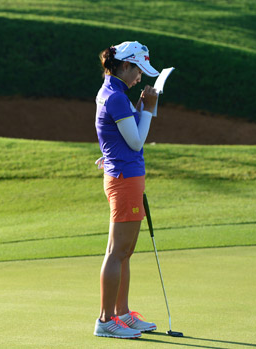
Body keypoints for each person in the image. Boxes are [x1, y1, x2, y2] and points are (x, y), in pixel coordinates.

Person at [93, 41, 160, 339]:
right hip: (124, 177)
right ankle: (106, 320)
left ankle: (121, 314)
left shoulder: (115, 92)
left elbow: (118, 133)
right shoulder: (116, 96)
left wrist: (139, 107)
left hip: (124, 175)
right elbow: (135, 141)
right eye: (138, 71)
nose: (140, 78)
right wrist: (149, 110)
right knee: (118, 251)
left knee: (124, 252)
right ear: (125, 65)